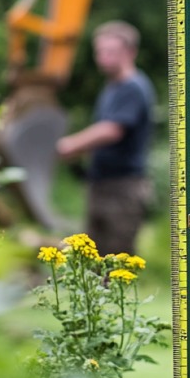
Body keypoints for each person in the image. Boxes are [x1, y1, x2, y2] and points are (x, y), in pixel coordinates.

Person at [57, 20, 156, 256]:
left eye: (111, 51)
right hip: (102, 184)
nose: (103, 57)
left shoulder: (133, 87)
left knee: (116, 260)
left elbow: (113, 130)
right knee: (93, 259)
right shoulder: (112, 87)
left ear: (130, 52)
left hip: (122, 188)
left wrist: (71, 145)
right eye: (100, 51)